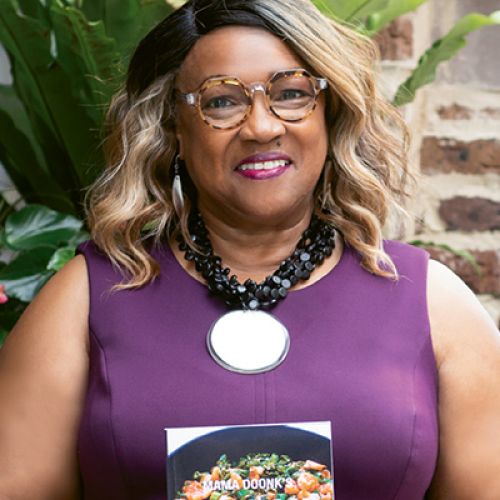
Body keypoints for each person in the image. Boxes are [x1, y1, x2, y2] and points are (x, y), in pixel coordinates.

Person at [0, 0, 499, 498]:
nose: (262, 127)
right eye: (222, 101)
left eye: (291, 94)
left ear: (330, 113)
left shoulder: (432, 302)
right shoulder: (87, 299)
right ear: (173, 127)